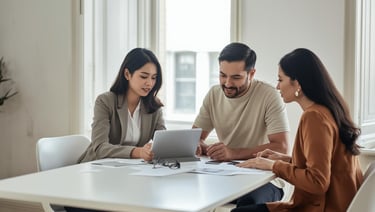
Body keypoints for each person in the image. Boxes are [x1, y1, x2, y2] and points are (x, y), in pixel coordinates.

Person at [232, 48, 363, 212]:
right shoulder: (330, 110)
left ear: (298, 84)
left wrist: (274, 166)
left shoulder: (314, 117)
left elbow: (317, 182)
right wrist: (286, 159)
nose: (277, 86)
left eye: (281, 79)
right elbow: (324, 164)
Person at [193, 42, 290, 206]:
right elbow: (194, 138)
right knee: (190, 194)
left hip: (265, 179)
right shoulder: (214, 94)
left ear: (251, 73)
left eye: (236, 77)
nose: (228, 83)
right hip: (224, 175)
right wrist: (199, 145)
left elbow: (281, 147)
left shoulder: (269, 95)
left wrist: (233, 153)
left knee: (249, 203)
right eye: (223, 75)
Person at [78, 47, 165, 163]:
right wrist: (138, 152)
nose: (149, 83)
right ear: (127, 74)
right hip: (96, 167)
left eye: (154, 78)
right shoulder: (105, 101)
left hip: (130, 170)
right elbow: (100, 148)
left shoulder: (153, 106)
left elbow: (164, 142)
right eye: (144, 76)